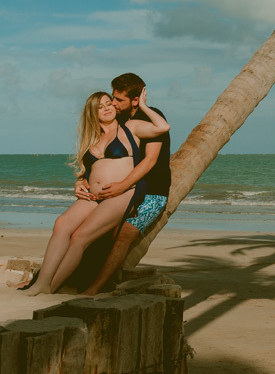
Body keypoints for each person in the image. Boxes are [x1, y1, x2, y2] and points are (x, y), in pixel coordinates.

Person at [16, 86, 169, 294]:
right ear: (92, 113)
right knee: (61, 224)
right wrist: (79, 183)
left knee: (80, 236)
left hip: (122, 193)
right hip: (93, 195)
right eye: (100, 107)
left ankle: (51, 288)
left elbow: (162, 126)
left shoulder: (130, 127)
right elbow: (90, 170)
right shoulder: (93, 137)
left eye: (109, 103)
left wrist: (143, 105)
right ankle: (42, 282)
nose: (107, 108)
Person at [75, 72, 171, 295]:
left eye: (119, 100)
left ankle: (95, 288)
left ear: (135, 100)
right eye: (113, 98)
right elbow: (98, 157)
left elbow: (150, 161)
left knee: (123, 234)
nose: (114, 104)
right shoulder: (119, 121)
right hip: (123, 190)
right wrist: (81, 180)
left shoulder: (151, 117)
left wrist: (122, 185)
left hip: (153, 192)